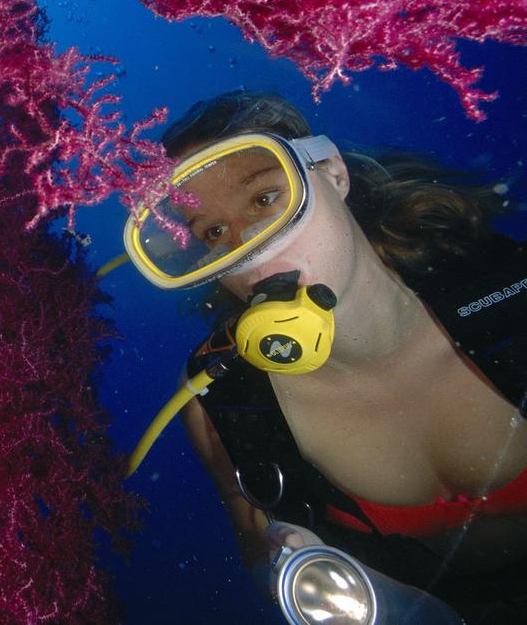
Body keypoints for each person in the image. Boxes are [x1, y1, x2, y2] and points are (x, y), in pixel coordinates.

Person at [124, 90, 527, 623]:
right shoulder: (221, 401)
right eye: (214, 233)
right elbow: (260, 554)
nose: (253, 247)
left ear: (333, 172)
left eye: (267, 198)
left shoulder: (510, 294)